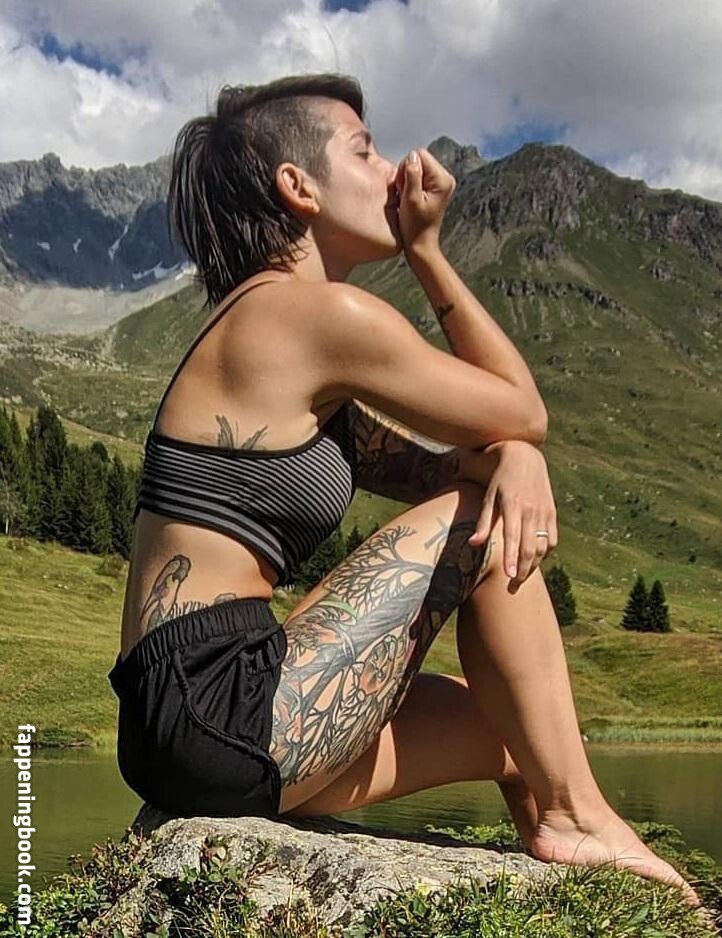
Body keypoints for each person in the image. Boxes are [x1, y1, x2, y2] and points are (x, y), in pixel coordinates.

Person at [107, 72, 700, 908]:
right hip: (219, 703)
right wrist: (428, 252)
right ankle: (582, 815)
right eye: (366, 150)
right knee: (483, 519)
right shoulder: (310, 315)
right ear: (299, 186)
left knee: (516, 733)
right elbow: (521, 413)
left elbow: (478, 450)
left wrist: (510, 455)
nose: (394, 172)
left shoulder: (281, 338)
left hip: (189, 722)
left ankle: (562, 847)